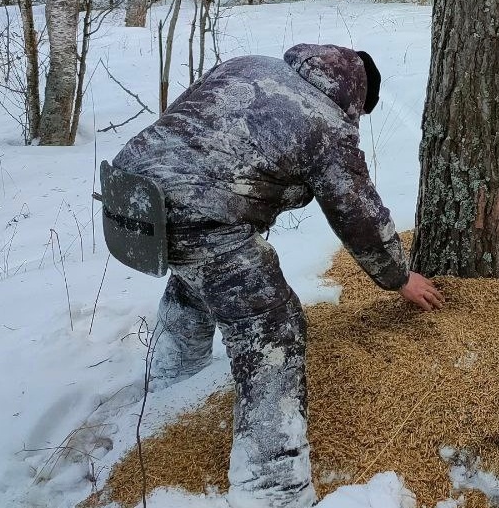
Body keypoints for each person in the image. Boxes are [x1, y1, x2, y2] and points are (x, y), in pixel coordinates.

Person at [109, 45, 443, 505]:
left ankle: (170, 385)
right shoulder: (325, 122)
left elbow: (195, 131)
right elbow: (358, 213)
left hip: (129, 191)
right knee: (272, 330)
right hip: (197, 210)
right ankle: (272, 485)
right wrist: (399, 276)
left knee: (200, 276)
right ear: (355, 98)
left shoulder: (250, 66)